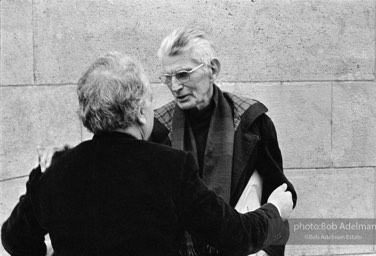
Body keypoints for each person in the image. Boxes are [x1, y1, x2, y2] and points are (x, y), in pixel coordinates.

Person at [1, 52, 294, 256]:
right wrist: (274, 211)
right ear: (141, 111)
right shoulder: (171, 167)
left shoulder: (52, 170)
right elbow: (233, 236)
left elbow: (14, 239)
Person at [150, 26, 297, 256]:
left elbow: (281, 196)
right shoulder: (157, 130)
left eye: (183, 74)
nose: (175, 86)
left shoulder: (253, 122)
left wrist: (266, 251)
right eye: (168, 77)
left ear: (213, 69)